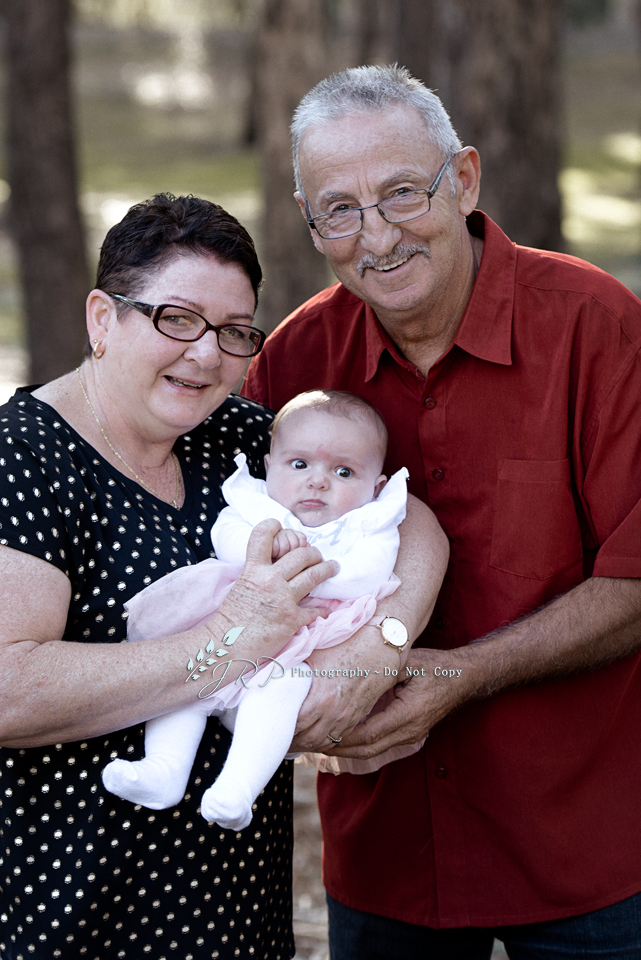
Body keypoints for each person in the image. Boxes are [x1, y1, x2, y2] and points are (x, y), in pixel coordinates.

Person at [244, 65, 641, 959]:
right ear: (309, 221)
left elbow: (634, 576)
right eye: (338, 211)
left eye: (401, 193)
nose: (376, 236)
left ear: (462, 179)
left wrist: (460, 675)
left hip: (584, 847)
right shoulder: (295, 363)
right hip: (388, 852)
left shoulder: (597, 328)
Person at [0, 191, 446, 960]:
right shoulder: (24, 458)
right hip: (70, 912)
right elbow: (10, 689)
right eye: (176, 318)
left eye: (234, 331)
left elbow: (410, 521)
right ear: (102, 319)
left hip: (234, 910)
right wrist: (235, 636)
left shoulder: (237, 438)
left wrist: (380, 642)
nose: (207, 355)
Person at [102, 390, 429, 831]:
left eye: (344, 471)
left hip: (312, 637)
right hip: (232, 628)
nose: (318, 482)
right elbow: (226, 536)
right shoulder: (256, 505)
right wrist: (264, 547)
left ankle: (238, 789)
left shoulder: (369, 522)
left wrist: (304, 568)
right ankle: (164, 769)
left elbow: (367, 573)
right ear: (270, 466)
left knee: (282, 688)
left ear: (375, 486)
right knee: (188, 677)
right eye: (300, 465)